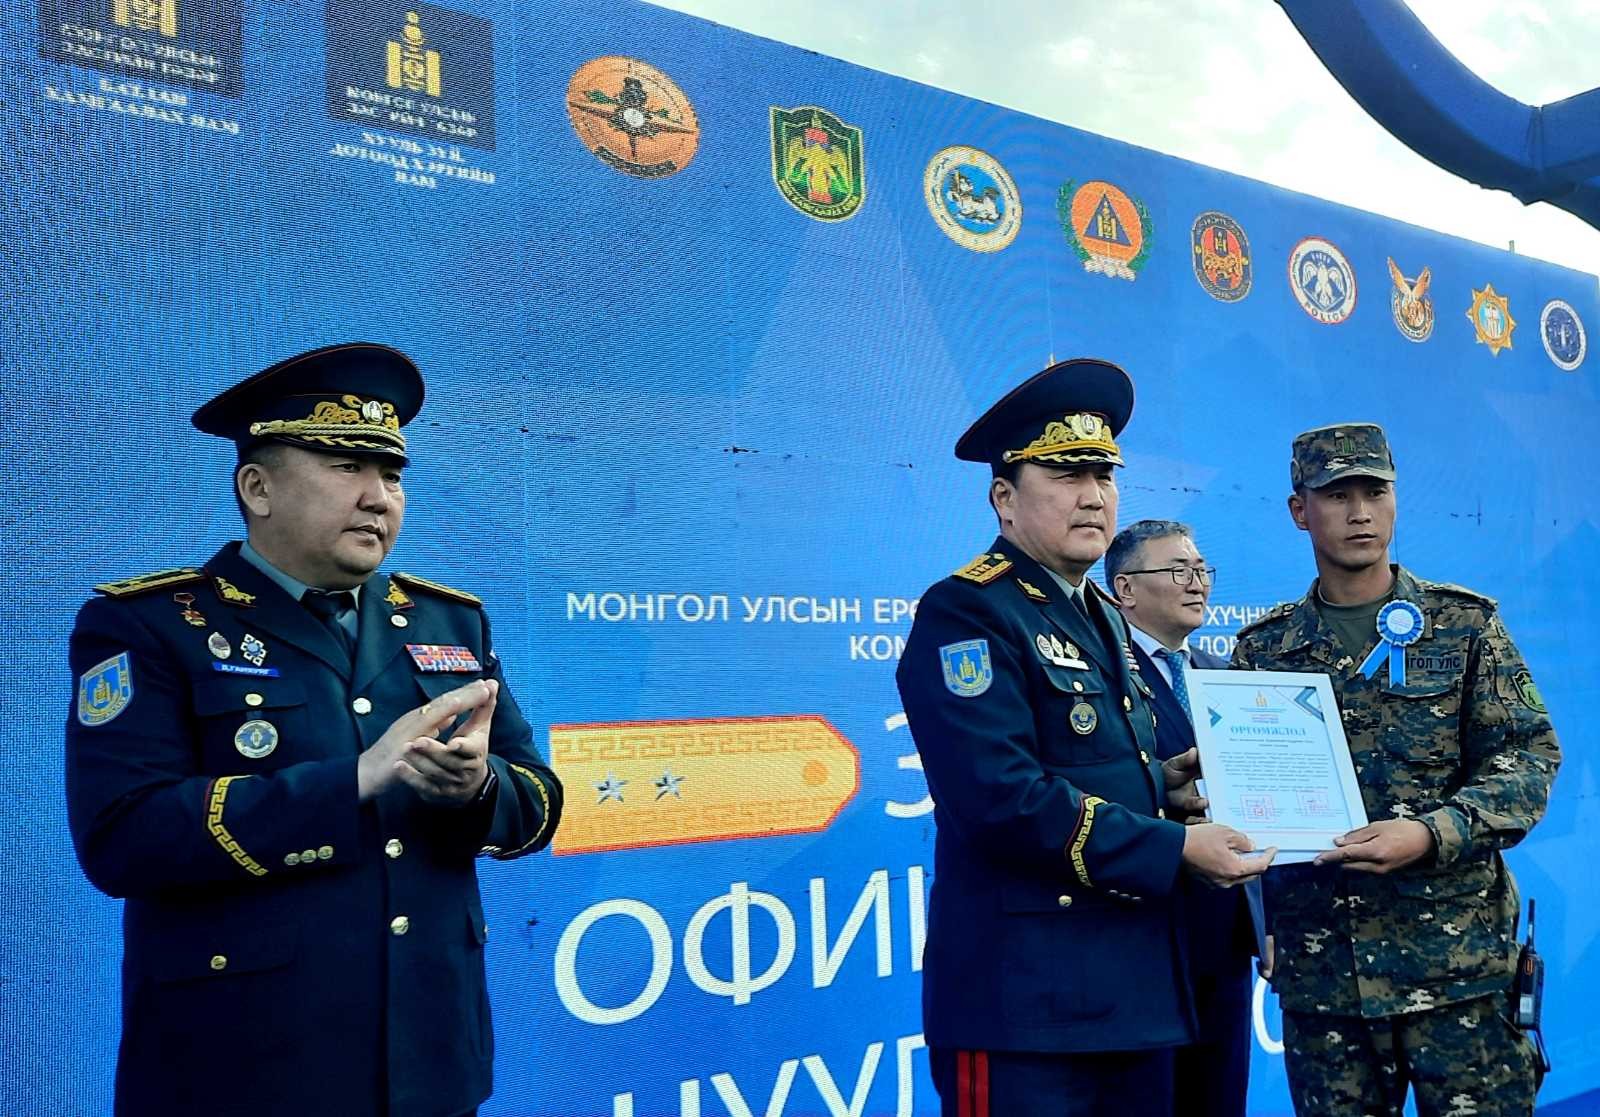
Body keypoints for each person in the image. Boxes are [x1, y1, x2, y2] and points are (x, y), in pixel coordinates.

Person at [65, 342, 564, 1117]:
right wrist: (353, 781)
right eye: (346, 466)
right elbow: (122, 836)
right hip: (243, 1074)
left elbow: (538, 796)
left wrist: (477, 788)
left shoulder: (449, 620)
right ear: (257, 487)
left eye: (392, 474)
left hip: (429, 1064)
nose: (378, 497)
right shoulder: (151, 624)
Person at [895, 358, 1273, 1117]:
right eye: (1066, 474)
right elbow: (1000, 798)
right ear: (1005, 498)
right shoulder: (968, 611)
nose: (1094, 495)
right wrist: (1173, 846)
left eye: (1104, 474)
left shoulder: (1099, 610)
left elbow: (1086, 759)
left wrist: (1162, 786)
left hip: (1132, 995)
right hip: (1026, 1009)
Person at [1231, 422, 1560, 1117]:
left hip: (1459, 975)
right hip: (1326, 981)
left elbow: (1529, 757)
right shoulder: (1264, 650)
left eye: (1375, 492)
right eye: (1337, 494)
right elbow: (1243, 792)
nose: (1360, 512)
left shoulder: (1464, 626)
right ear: (1299, 510)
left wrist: (1434, 832)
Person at [1106, 519, 1266, 1117]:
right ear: (1125, 589)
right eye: (1178, 570)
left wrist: (1265, 921)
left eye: (1201, 570)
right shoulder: (1099, 674)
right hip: (1142, 934)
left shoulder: (1221, 675)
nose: (1197, 583)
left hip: (1223, 939)